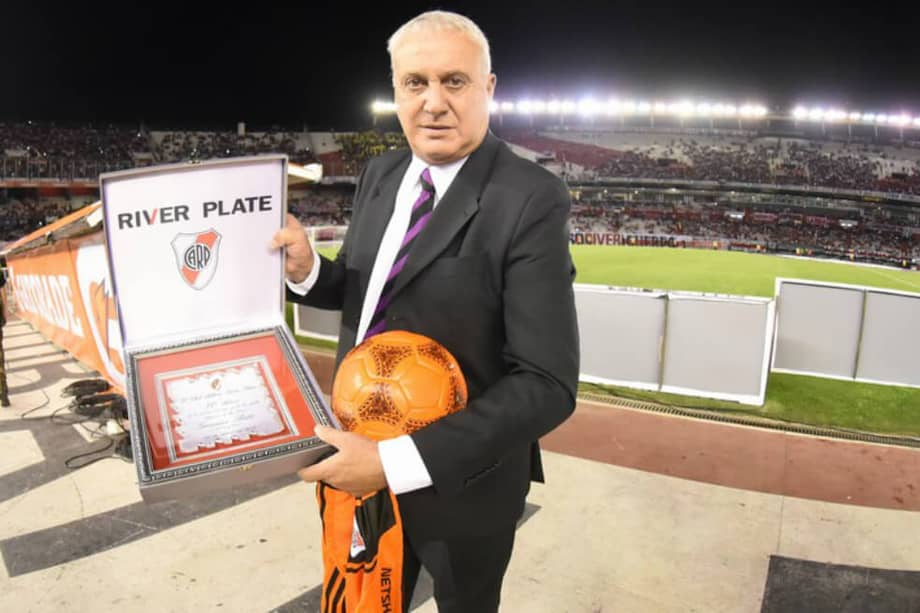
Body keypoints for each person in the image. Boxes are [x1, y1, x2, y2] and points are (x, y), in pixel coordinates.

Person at [272, 10, 579, 612]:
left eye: (454, 82)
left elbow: (547, 384)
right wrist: (309, 271)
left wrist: (392, 462)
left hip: (462, 484)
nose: (433, 103)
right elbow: (373, 295)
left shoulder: (530, 198)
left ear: (488, 89)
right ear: (395, 91)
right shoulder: (382, 174)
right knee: (357, 601)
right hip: (356, 454)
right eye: (415, 83)